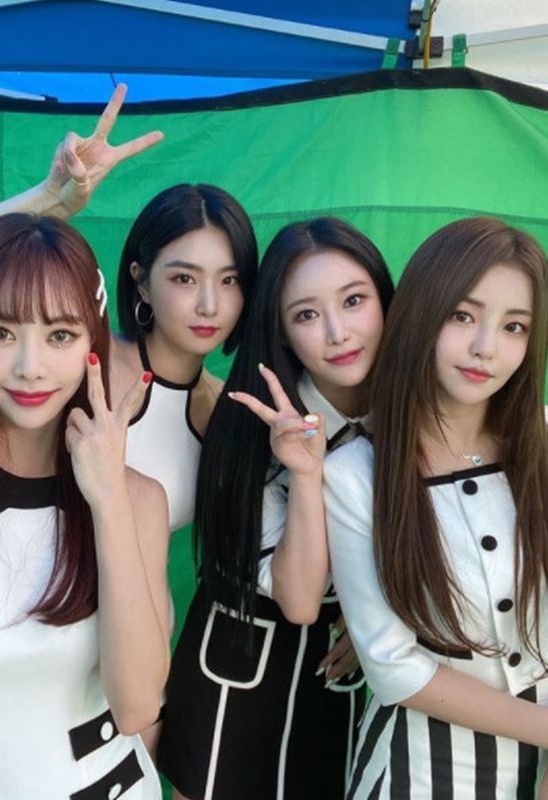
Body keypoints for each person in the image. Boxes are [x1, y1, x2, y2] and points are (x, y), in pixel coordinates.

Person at [0, 213, 171, 799]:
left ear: (92, 346)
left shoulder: (139, 499)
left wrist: (108, 501)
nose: (30, 367)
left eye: (60, 335)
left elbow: (137, 705)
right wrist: (50, 198)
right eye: (0, 332)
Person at [0, 83, 258, 533]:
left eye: (229, 280)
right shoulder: (81, 357)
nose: (209, 305)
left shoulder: (230, 410)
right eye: (184, 278)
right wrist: (53, 198)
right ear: (141, 282)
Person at [158, 217, 395, 799]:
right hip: (238, 672)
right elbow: (299, 599)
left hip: (337, 679)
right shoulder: (250, 424)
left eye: (354, 301)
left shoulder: (414, 415)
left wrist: (380, 615)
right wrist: (305, 472)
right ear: (283, 333)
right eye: (307, 315)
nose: (338, 332)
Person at [325, 217, 548, 797]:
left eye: (514, 326)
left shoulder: (542, 440)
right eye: (462, 316)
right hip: (418, 774)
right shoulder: (356, 473)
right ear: (422, 313)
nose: (486, 347)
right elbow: (394, 668)